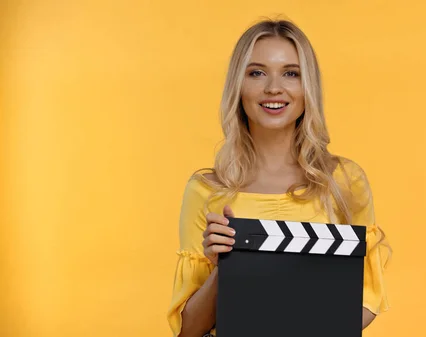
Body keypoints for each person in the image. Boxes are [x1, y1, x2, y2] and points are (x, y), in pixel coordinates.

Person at [166, 18, 392, 337]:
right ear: (239, 86)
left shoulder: (343, 181)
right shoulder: (207, 190)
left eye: (291, 73)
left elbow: (367, 300)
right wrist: (223, 269)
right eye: (257, 72)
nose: (274, 87)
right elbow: (189, 330)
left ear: (307, 87)